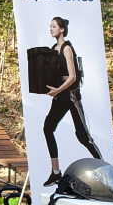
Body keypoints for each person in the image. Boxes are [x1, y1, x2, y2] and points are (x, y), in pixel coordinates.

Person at [42, 16, 102, 187]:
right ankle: (56, 173)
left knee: (83, 136)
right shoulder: (54, 48)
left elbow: (73, 76)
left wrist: (58, 90)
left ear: (61, 29)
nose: (51, 29)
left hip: (71, 95)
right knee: (48, 128)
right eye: (50, 26)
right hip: (60, 95)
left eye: (54, 26)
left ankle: (105, 167)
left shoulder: (67, 48)